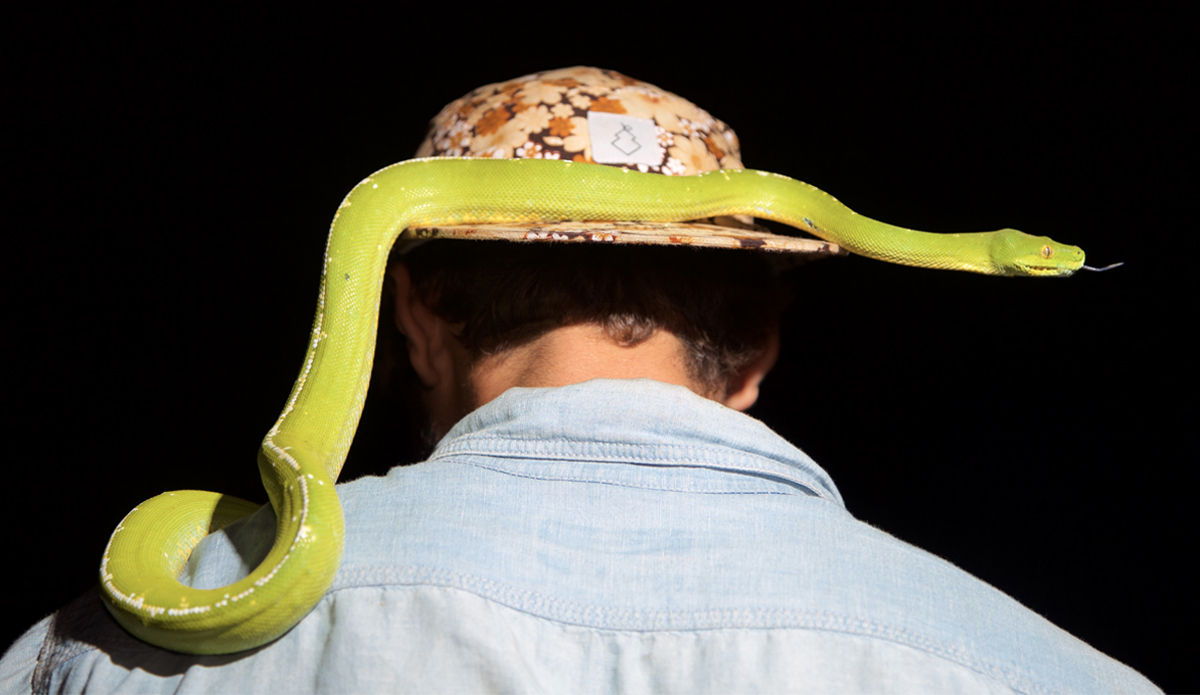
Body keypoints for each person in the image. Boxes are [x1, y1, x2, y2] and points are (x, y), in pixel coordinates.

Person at [0, 67, 1158, 694]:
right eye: (1035, 255)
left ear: (408, 311)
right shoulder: (1039, 668)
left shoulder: (96, 651)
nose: (1046, 259)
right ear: (758, 346)